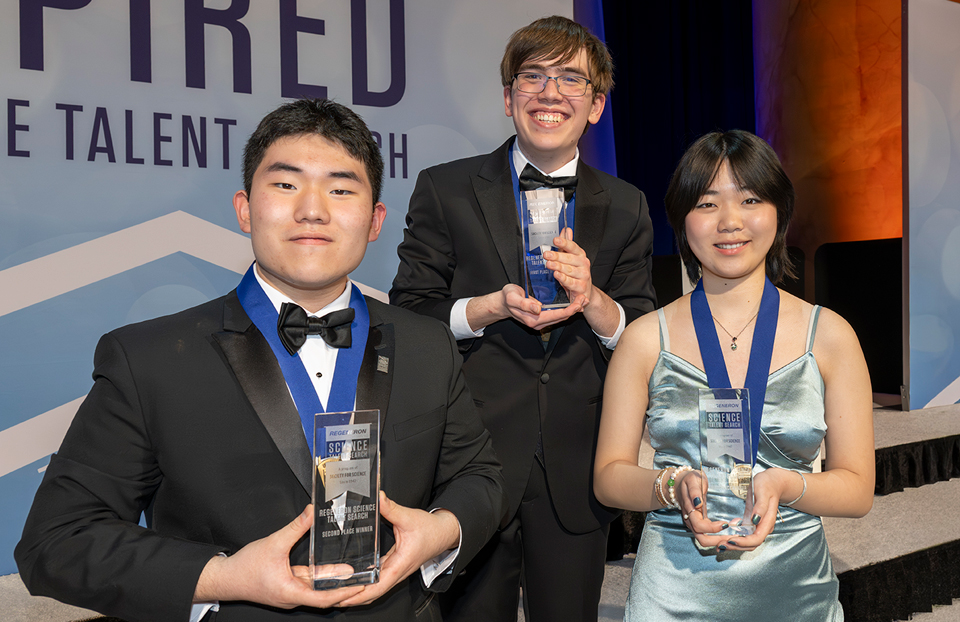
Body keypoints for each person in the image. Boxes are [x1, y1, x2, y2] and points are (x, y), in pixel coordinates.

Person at [15, 98, 505, 622]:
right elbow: (57, 541)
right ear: (245, 208)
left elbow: (480, 476)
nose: (313, 209)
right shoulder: (148, 358)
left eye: (341, 188)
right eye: (287, 184)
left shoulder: (429, 344)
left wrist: (440, 530)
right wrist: (224, 576)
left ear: (375, 220)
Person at [390, 15, 656, 622]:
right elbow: (408, 313)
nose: (550, 92)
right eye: (532, 77)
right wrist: (484, 309)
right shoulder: (446, 189)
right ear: (509, 98)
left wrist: (593, 299)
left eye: (571, 79)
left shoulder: (625, 205)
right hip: (468, 458)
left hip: (578, 458)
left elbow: (641, 332)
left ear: (595, 105)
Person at [593, 130, 875, 621]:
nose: (729, 222)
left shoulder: (829, 335)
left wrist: (788, 485)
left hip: (796, 590)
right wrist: (670, 484)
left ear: (779, 212)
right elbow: (608, 477)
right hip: (674, 593)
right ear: (682, 221)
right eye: (706, 203)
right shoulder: (644, 338)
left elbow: (857, 489)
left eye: (749, 199)